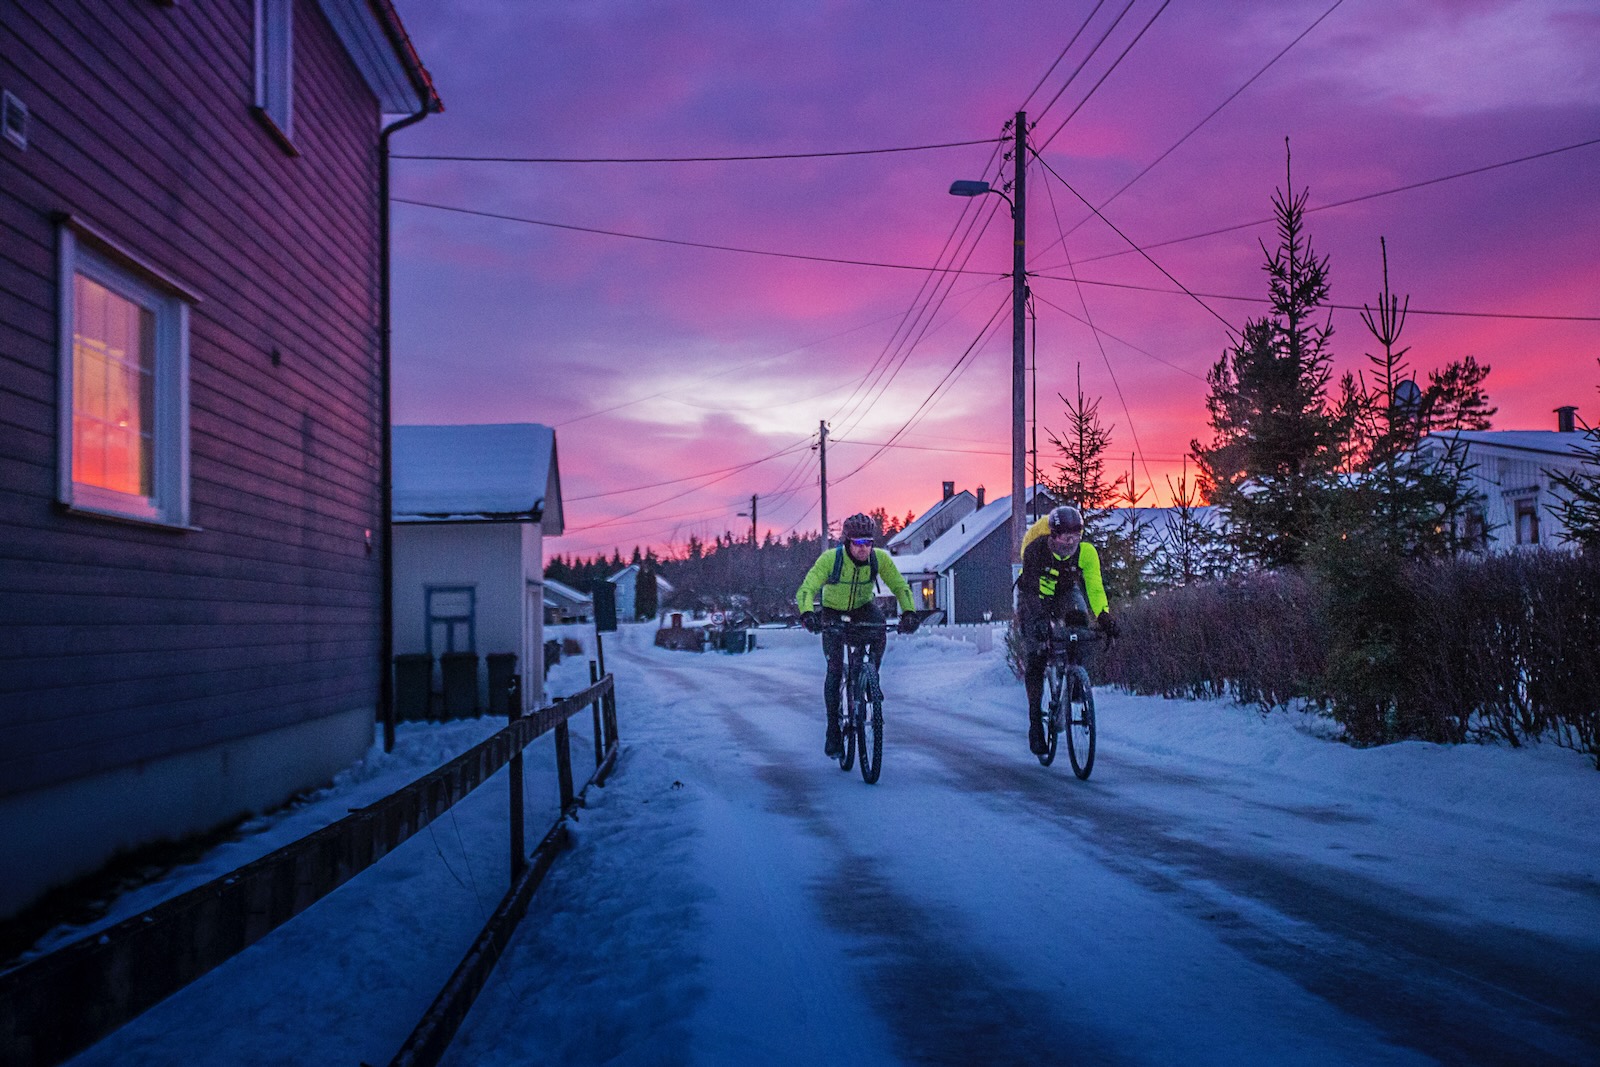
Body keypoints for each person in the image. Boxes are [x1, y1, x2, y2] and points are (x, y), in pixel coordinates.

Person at [796, 512, 920, 758]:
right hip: (832, 612)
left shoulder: (879, 559)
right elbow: (807, 588)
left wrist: (909, 612)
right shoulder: (831, 560)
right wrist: (808, 613)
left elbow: (899, 586)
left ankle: (870, 678)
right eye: (858, 543)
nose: (864, 549)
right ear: (847, 542)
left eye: (868, 543)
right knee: (834, 670)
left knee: (879, 628)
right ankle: (833, 731)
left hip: (862, 608)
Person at [1016, 505, 1120, 755]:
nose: (1071, 543)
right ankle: (1035, 725)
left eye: (1076, 538)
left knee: (1079, 619)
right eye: (1065, 538)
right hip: (1035, 591)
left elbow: (1094, 587)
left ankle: (1074, 676)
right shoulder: (1035, 546)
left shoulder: (1086, 552)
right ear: (1053, 535)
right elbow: (1028, 589)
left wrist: (1104, 617)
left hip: (1064, 590)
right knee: (1037, 655)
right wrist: (1039, 620)